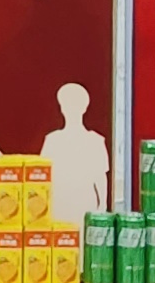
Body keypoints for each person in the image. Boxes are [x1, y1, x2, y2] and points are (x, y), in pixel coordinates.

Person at [38, 81, 110, 218]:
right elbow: (44, 177)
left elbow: (100, 177)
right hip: (59, 206)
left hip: (85, 205)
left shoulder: (95, 140)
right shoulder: (52, 140)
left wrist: (102, 206)